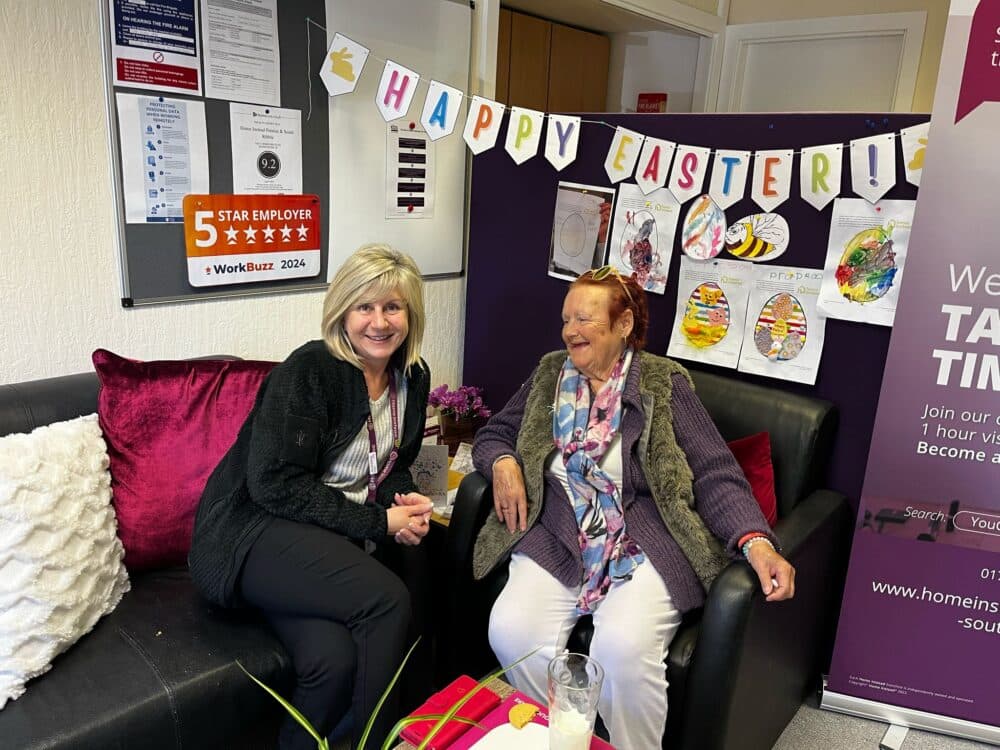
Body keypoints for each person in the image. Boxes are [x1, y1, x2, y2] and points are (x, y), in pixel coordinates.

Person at [471, 265, 795, 750]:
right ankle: (564, 739)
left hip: (642, 542)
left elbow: (715, 472)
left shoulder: (663, 383)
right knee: (512, 631)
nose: (570, 331)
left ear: (623, 324)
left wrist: (756, 543)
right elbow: (495, 432)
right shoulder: (550, 373)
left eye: (584, 318)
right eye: (565, 319)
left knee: (621, 650)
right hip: (558, 533)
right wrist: (503, 463)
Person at [188, 244, 434, 750]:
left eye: (393, 306)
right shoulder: (311, 372)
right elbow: (273, 484)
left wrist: (403, 502)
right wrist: (379, 523)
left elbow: (391, 464)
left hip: (321, 538)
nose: (379, 322)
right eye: (365, 306)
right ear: (342, 311)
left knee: (331, 660)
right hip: (251, 531)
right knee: (387, 601)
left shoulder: (412, 377)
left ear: (411, 314)